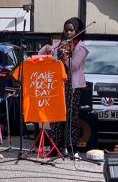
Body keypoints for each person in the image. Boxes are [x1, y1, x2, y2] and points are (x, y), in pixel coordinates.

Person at [38, 17, 88, 156]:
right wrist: (46, 48)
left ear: (77, 31)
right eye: (66, 30)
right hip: (57, 86)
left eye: (71, 30)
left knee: (71, 117)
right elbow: (41, 55)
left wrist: (66, 57)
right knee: (56, 117)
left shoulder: (81, 47)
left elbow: (74, 67)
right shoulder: (59, 44)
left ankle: (70, 146)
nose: (68, 33)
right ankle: (55, 145)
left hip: (73, 87)